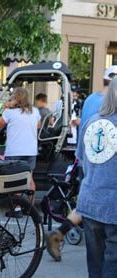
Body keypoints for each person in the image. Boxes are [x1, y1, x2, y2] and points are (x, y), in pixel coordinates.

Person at [46, 65, 117, 262]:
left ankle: (60, 232)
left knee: (86, 199)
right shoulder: (108, 105)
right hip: (105, 169)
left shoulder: (90, 100)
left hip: (87, 158)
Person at [74, 76, 117, 278]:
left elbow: (83, 161)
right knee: (112, 270)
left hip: (90, 203)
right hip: (113, 208)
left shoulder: (91, 121)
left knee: (96, 269)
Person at [0, 88, 41, 201]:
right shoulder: (35, 111)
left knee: (16, 180)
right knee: (29, 178)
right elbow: (38, 126)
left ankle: (17, 209)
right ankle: (30, 209)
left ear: (15, 98)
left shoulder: (10, 112)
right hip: (30, 151)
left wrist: (5, 108)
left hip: (14, 151)